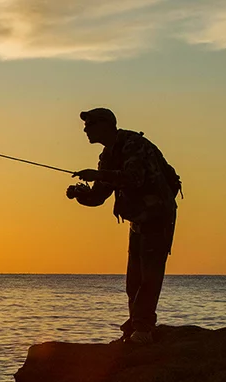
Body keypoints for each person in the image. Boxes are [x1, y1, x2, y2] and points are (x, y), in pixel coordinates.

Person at [67, 108, 180, 344]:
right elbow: (98, 197)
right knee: (133, 280)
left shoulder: (133, 144)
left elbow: (134, 178)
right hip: (138, 221)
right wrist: (79, 194)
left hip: (158, 217)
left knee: (149, 276)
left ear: (106, 125)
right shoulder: (107, 155)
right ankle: (136, 327)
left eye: (90, 124)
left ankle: (144, 329)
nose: (85, 129)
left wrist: (98, 175)